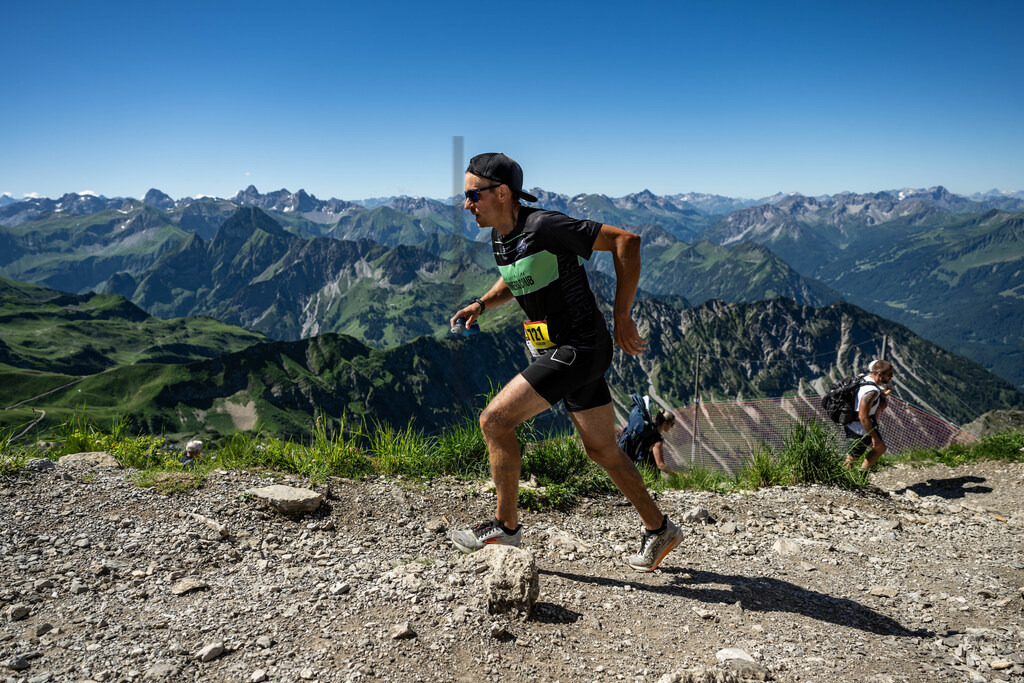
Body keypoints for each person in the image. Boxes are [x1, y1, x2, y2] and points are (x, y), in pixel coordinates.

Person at [448, 152, 682, 572]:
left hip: (578, 348)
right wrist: (481, 303)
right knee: (603, 449)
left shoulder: (545, 225)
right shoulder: (502, 236)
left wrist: (622, 313)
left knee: (494, 421)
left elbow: (626, 241)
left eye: (472, 195)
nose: (467, 205)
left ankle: (506, 526)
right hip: (562, 350)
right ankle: (659, 528)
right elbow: (516, 276)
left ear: (502, 193)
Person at [843, 360, 894, 471]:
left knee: (880, 449)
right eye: (889, 374)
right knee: (850, 461)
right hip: (860, 430)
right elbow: (863, 416)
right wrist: (874, 437)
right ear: (880, 374)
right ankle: (841, 483)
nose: (891, 377)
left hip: (855, 424)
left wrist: (882, 398)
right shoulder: (872, 391)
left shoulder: (864, 379)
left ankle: (862, 476)